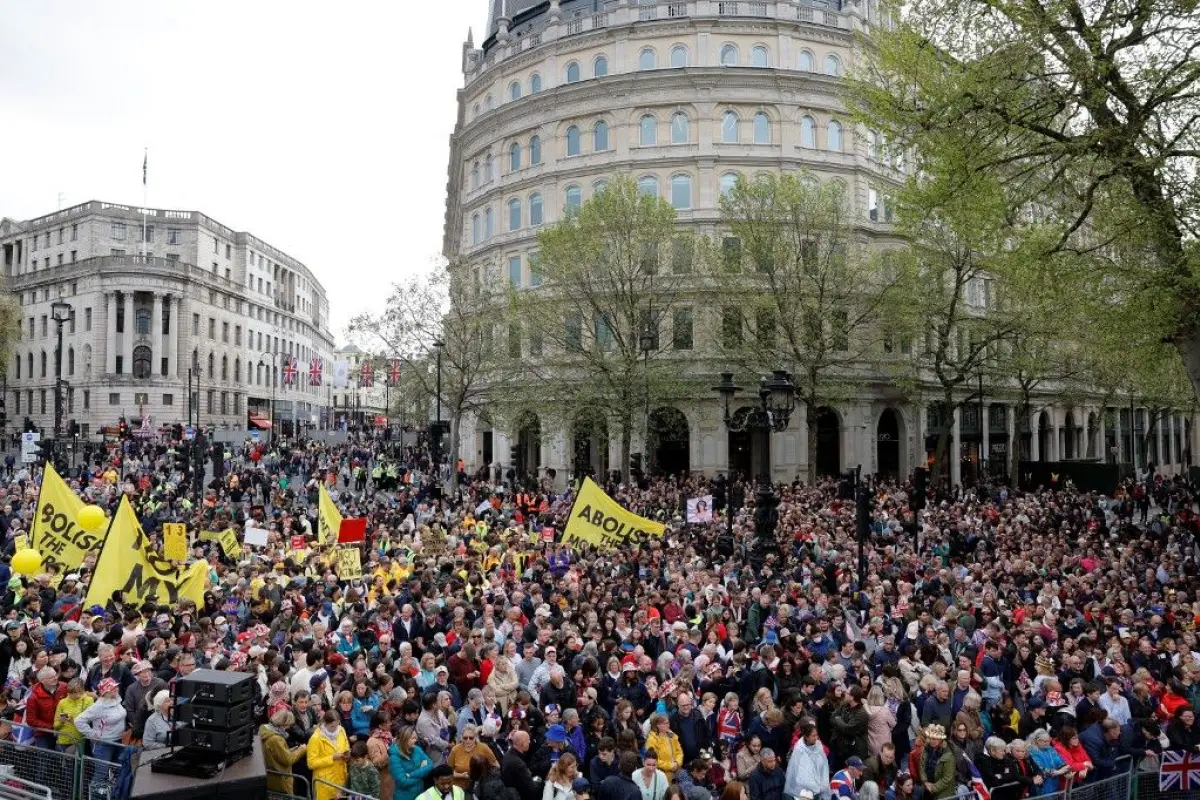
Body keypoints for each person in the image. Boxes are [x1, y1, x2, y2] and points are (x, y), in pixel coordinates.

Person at [262, 709, 308, 797]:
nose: (289, 728)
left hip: (273, 776)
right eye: (288, 725)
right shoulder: (276, 739)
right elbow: (288, 760)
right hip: (281, 779)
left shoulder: (267, 730)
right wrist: (301, 749)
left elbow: (278, 753)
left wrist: (292, 750)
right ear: (283, 723)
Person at [309, 709, 351, 800]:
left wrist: (347, 754)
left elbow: (346, 745)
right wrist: (332, 758)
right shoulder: (315, 738)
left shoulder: (341, 730)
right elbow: (311, 763)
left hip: (340, 778)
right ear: (325, 723)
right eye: (332, 726)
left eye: (337, 725)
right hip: (325, 783)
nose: (335, 729)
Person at [785, 722, 831, 800]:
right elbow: (798, 771)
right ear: (806, 737)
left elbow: (824, 765)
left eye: (816, 735)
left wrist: (823, 782)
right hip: (804, 789)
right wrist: (812, 784)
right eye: (813, 735)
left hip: (819, 786)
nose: (816, 737)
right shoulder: (799, 750)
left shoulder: (818, 745)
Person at [390, 725, 435, 800]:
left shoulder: (417, 749)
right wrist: (421, 774)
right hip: (404, 797)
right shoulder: (394, 758)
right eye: (413, 738)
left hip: (420, 795)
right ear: (405, 739)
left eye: (416, 738)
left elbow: (430, 765)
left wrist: (411, 775)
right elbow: (403, 782)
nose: (416, 740)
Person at [450, 724, 499, 790]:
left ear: (475, 737)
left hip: (479, 788)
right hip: (458, 788)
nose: (468, 740)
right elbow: (448, 771)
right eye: (465, 738)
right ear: (461, 737)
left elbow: (496, 765)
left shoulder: (484, 748)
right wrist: (460, 775)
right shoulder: (455, 749)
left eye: (471, 738)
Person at [53, 678, 93, 754]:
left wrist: (72, 721)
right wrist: (60, 722)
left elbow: (89, 721)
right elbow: (55, 725)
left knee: (74, 763)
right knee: (63, 764)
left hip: (79, 740)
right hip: (63, 739)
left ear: (82, 690)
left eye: (76, 692)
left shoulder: (89, 700)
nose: (72, 695)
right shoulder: (62, 702)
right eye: (70, 692)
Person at [916, 725, 955, 800]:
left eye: (934, 738)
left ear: (941, 739)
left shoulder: (949, 755)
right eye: (930, 738)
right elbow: (922, 766)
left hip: (943, 793)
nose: (931, 741)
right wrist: (925, 782)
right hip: (927, 788)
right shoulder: (926, 749)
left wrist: (933, 788)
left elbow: (947, 778)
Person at [503, 730, 545, 800]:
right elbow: (532, 788)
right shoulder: (518, 764)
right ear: (522, 744)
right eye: (528, 740)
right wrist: (542, 782)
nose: (529, 742)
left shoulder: (508, 753)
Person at [645, 713, 684, 780]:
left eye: (668, 723)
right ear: (657, 725)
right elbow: (653, 760)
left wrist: (677, 763)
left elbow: (679, 751)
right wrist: (670, 766)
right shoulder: (652, 740)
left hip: (676, 772)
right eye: (664, 724)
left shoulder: (672, 735)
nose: (668, 725)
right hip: (662, 775)